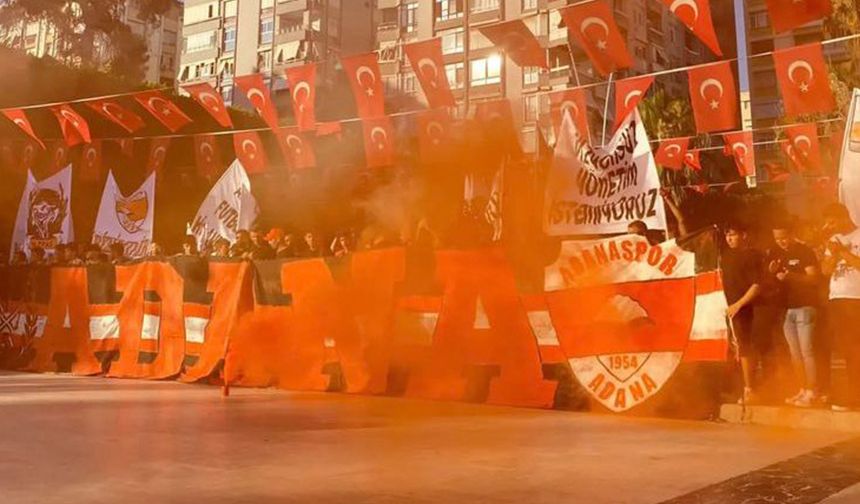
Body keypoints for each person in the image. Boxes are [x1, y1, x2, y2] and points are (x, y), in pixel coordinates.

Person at [766, 221, 820, 407]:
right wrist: (772, 273)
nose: (781, 241)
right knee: (794, 353)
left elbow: (814, 278)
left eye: (784, 237)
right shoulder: (776, 253)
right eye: (777, 238)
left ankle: (813, 391)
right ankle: (802, 389)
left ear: (791, 234)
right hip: (787, 309)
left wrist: (792, 276)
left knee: (807, 351)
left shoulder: (804, 251)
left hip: (805, 307)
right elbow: (772, 281)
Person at [821, 203, 860, 411]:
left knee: (856, 347)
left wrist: (843, 252)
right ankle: (853, 393)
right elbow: (825, 270)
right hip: (837, 298)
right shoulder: (834, 239)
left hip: (856, 298)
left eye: (832, 222)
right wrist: (833, 253)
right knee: (846, 349)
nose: (830, 226)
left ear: (844, 217)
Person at [720, 222, 763, 404]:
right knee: (733, 349)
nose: (729, 239)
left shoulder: (751, 255)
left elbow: (757, 285)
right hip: (728, 310)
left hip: (747, 310)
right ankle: (737, 387)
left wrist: (738, 305)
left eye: (733, 234)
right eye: (727, 235)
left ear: (743, 235)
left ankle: (750, 389)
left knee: (745, 349)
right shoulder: (725, 256)